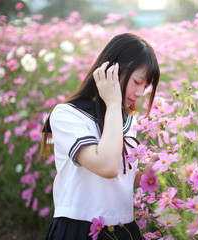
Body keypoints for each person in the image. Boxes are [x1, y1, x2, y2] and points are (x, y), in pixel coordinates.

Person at [42, 33, 160, 240]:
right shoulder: (67, 115)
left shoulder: (126, 117)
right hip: (79, 228)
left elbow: (117, 179)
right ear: (111, 72)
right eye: (137, 82)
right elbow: (106, 167)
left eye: (146, 86)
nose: (141, 92)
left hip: (123, 228)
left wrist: (144, 175)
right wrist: (113, 103)